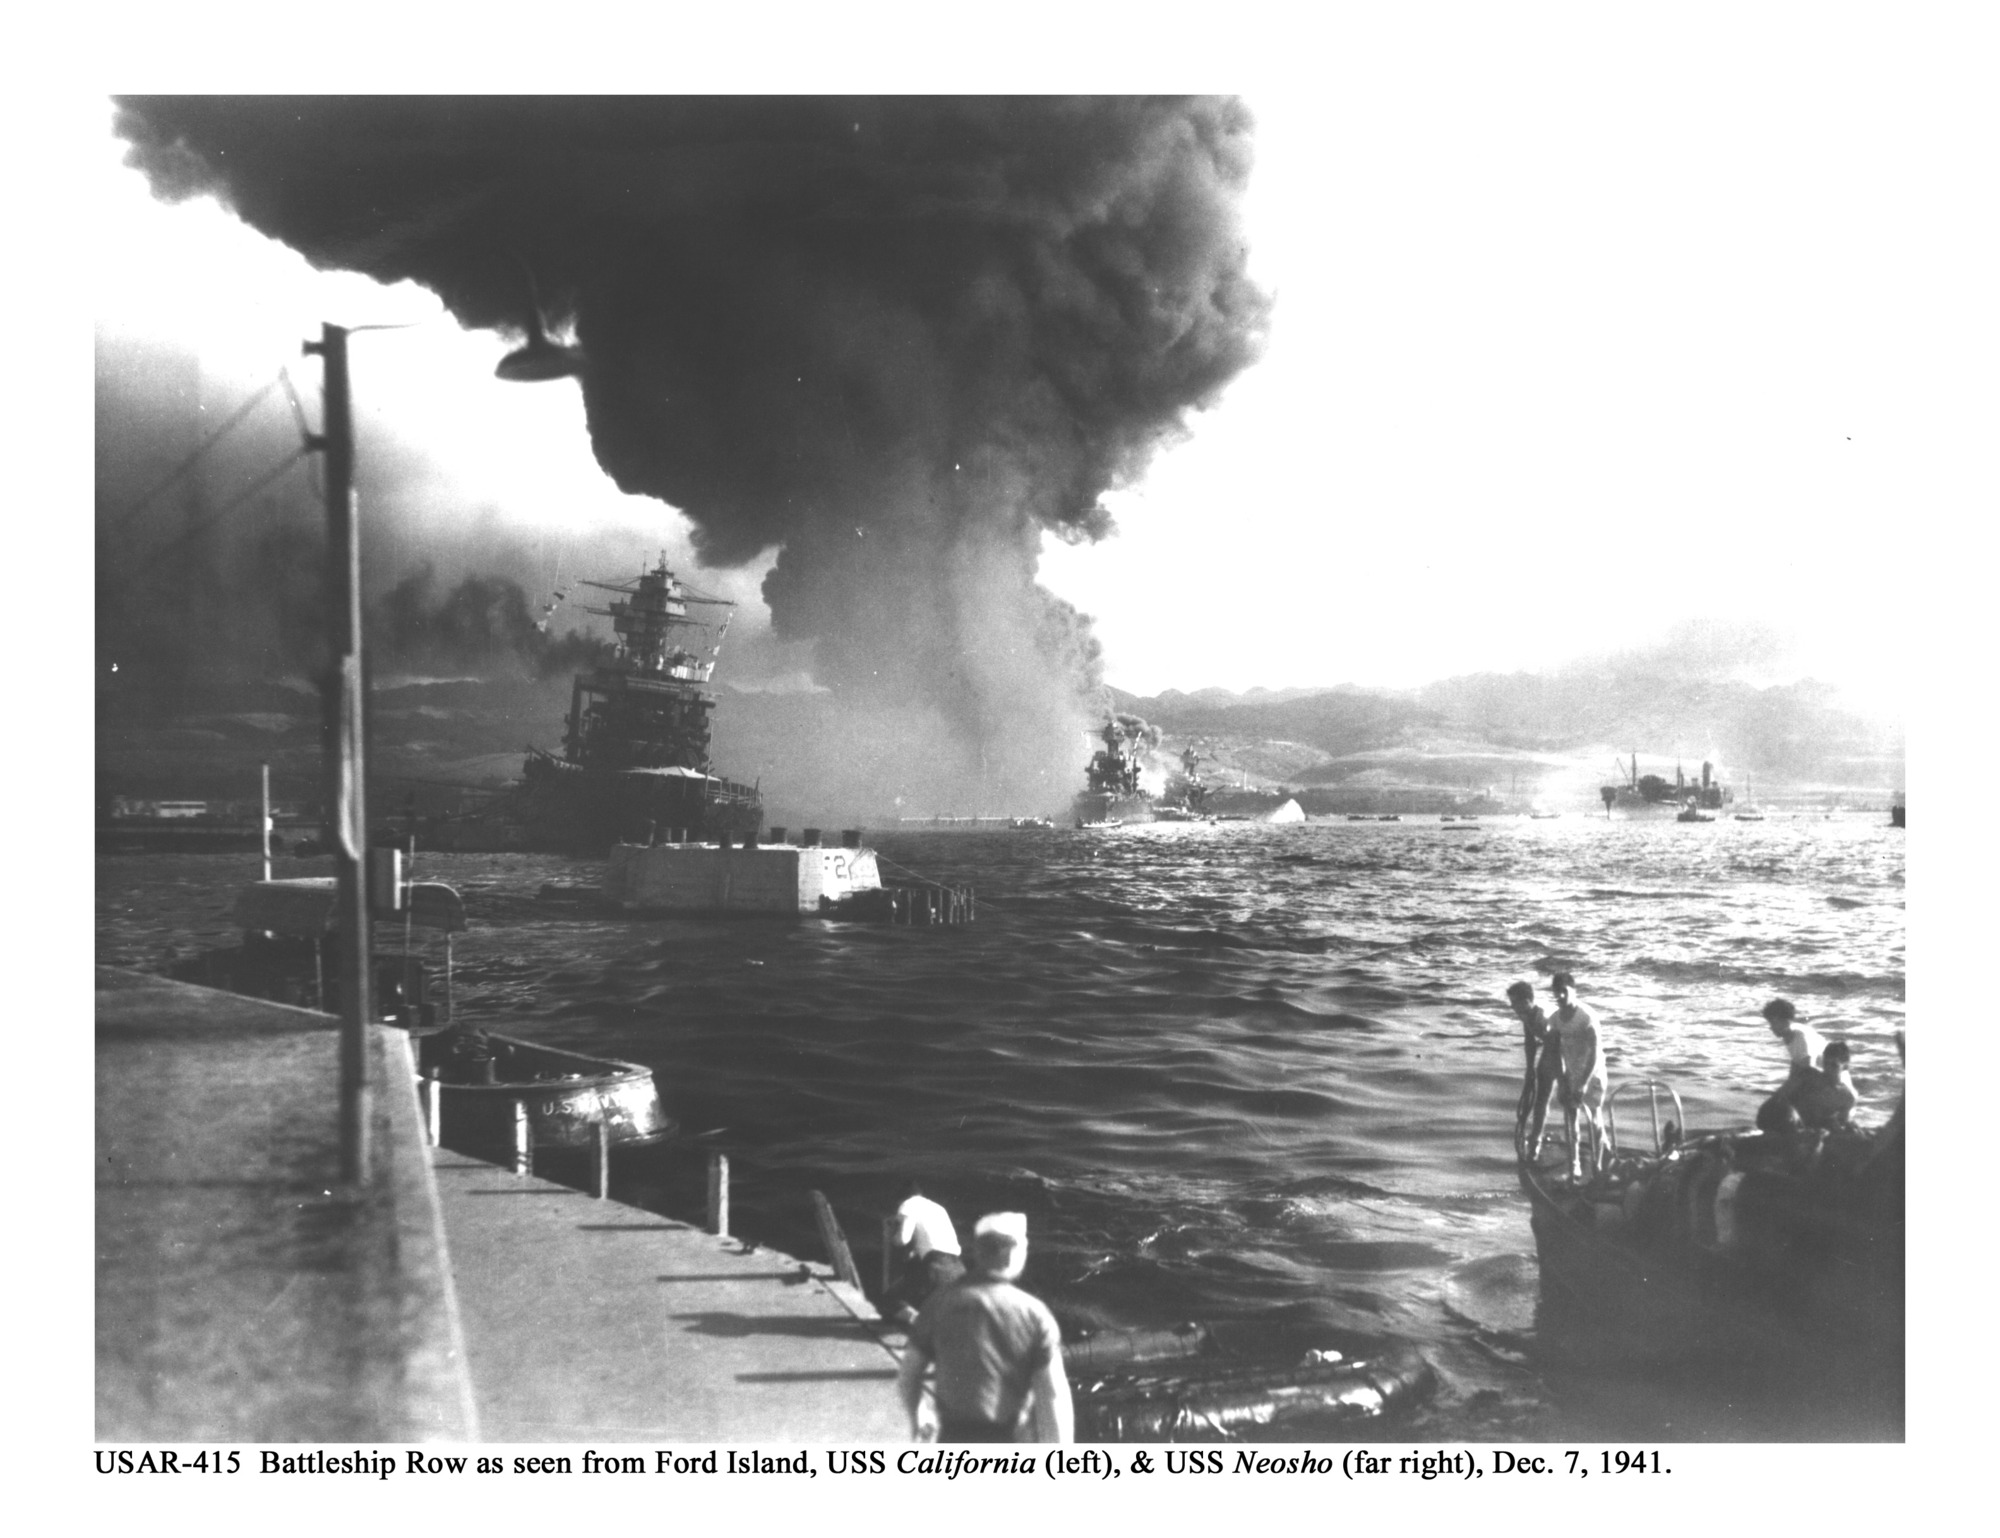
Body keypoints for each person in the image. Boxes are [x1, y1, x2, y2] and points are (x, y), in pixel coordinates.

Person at [896, 1212, 1073, 1444]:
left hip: (954, 1439)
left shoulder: (939, 1303)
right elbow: (1052, 1395)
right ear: (1013, 1255)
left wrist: (919, 1416)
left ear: (977, 1252)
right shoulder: (1034, 1314)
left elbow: (909, 1376)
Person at [1548, 972, 1608, 1181]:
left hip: (1593, 1072)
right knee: (1570, 1117)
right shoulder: (1555, 1020)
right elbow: (1554, 1052)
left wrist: (1583, 1083)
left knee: (1594, 1119)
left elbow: (1594, 1052)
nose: (1561, 997)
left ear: (1574, 991)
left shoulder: (1587, 1017)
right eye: (1557, 993)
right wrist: (1562, 1081)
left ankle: (1598, 1165)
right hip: (1571, 1071)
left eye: (1565, 992)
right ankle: (1574, 1166)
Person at [885, 1180, 966, 1325]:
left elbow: (902, 1239)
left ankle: (922, 1325)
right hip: (958, 1267)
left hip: (936, 1265)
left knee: (890, 1300)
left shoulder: (908, 1205)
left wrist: (892, 1235)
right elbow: (933, 1240)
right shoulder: (938, 1208)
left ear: (900, 1198)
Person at [1507, 981, 1563, 1160]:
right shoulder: (1526, 1015)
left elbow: (1561, 1041)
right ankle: (1535, 1140)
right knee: (1540, 1099)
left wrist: (1559, 1072)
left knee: (1566, 1098)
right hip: (1550, 1049)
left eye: (1514, 1002)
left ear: (1527, 1001)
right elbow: (1530, 1040)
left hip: (1568, 1050)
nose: (1512, 1006)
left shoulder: (1544, 1016)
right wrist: (1530, 1068)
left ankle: (1537, 1141)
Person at [1789, 1041, 1860, 1130]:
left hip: (1817, 1131)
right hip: (1793, 1126)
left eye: (1834, 1065)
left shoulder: (1847, 1097)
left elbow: (1842, 1122)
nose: (1828, 1069)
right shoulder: (1810, 1077)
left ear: (1845, 1067)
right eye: (1826, 1064)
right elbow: (1787, 1099)